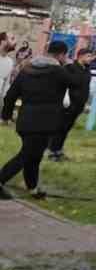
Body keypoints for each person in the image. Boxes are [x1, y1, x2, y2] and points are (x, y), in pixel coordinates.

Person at [0, 41, 74, 200]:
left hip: (26, 120)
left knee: (34, 155)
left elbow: (11, 95)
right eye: (65, 55)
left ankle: (33, 188)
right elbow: (77, 85)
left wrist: (6, 115)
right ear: (61, 55)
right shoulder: (59, 71)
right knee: (27, 154)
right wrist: (70, 66)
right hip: (46, 122)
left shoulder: (27, 69)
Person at [45, 46, 96, 163]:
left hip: (78, 106)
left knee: (66, 129)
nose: (91, 59)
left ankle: (59, 150)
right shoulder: (70, 68)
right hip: (67, 105)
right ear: (80, 56)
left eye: (91, 56)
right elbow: (64, 84)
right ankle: (52, 151)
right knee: (60, 128)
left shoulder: (87, 70)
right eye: (88, 56)